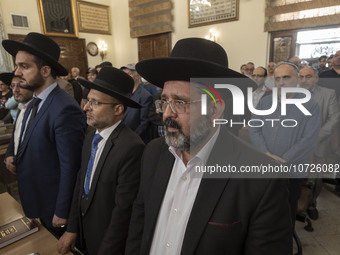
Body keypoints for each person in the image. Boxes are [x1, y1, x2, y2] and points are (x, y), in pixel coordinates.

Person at [125, 38, 292, 255]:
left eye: (180, 103)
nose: (167, 113)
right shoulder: (153, 153)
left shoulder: (261, 179)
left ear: (215, 109)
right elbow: (139, 224)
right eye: (164, 101)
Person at [2, 32, 86, 237]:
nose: (17, 72)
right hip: (35, 199)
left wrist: (63, 210)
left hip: (54, 207)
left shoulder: (64, 108)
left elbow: (71, 167)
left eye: (24, 66)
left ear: (46, 70)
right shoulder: (34, 102)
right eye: (17, 65)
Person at [57, 67, 145, 255]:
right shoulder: (91, 137)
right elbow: (81, 182)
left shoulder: (131, 148)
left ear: (118, 109)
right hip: (86, 232)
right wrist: (72, 228)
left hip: (108, 242)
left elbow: (123, 211)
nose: (86, 107)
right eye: (88, 100)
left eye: (95, 103)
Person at [248, 62, 321, 227]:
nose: (281, 82)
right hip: (265, 166)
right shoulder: (266, 101)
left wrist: (283, 161)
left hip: (291, 171)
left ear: (296, 79)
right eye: (277, 78)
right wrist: (266, 154)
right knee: (263, 209)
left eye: (286, 78)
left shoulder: (311, 105)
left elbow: (309, 140)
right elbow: (254, 129)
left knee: (286, 211)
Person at [298, 66, 339, 220]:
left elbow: (334, 118)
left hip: (318, 143)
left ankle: (312, 204)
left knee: (314, 178)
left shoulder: (328, 94)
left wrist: (317, 136)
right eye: (301, 76)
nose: (304, 80)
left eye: (308, 76)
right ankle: (295, 203)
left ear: (316, 78)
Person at [5, 75, 33, 171]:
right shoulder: (21, 108)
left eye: (20, 85)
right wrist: (9, 154)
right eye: (13, 86)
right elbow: (15, 136)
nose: (15, 90)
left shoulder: (39, 110)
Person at [120, 63, 153, 143]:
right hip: (122, 136)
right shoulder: (123, 93)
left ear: (138, 76)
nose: (126, 76)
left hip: (136, 140)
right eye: (125, 74)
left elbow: (144, 123)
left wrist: (132, 138)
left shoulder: (145, 96)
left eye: (129, 74)